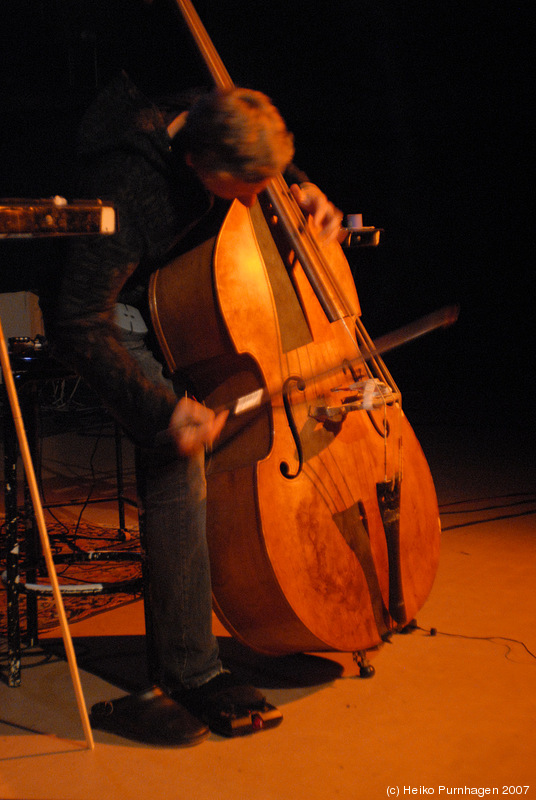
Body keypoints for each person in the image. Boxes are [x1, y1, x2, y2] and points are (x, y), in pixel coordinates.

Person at [43, 72, 343, 746]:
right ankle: (188, 670)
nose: (261, 199)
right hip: (114, 313)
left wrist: (303, 188)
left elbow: (260, 140)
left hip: (182, 292)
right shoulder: (126, 185)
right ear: (196, 165)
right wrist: (160, 411)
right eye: (246, 186)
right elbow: (76, 320)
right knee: (179, 459)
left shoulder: (209, 112)